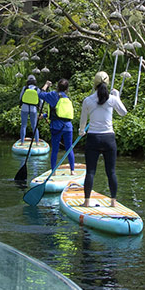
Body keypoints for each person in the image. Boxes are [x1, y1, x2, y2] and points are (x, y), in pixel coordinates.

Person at [79, 71, 128, 207]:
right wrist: (117, 97)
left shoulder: (88, 100)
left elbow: (83, 120)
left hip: (93, 138)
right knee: (111, 171)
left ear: (94, 84)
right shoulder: (112, 99)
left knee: (90, 171)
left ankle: (86, 202)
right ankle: (113, 202)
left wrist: (81, 131)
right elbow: (123, 113)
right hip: (109, 139)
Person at [39, 76, 75, 173]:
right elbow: (60, 112)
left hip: (56, 127)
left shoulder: (53, 95)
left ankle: (53, 171)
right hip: (68, 127)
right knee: (69, 148)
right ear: (67, 89)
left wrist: (46, 85)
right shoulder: (67, 98)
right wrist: (45, 115)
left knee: (55, 149)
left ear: (57, 87)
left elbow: (40, 94)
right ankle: (72, 170)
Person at [19, 75, 41, 143]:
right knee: (34, 126)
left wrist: (20, 105)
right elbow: (41, 100)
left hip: (24, 108)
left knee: (23, 125)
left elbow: (20, 97)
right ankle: (37, 142)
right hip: (33, 109)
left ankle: (22, 142)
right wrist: (40, 108)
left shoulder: (24, 88)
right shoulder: (37, 89)